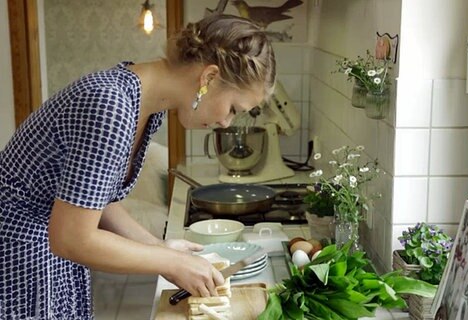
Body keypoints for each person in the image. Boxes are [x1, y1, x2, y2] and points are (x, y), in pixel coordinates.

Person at [0, 14, 275, 319]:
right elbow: (71, 238)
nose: (227, 122)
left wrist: (160, 248)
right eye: (233, 108)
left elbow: (93, 200)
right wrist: (169, 263)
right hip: (17, 260)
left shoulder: (144, 104)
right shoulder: (111, 104)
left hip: (47, 255)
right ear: (209, 78)